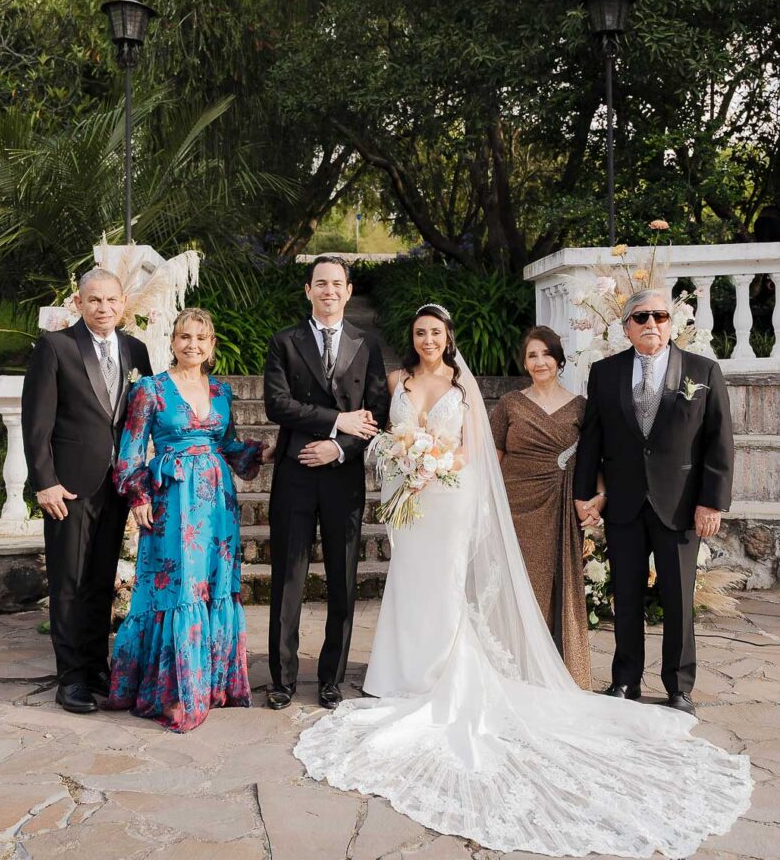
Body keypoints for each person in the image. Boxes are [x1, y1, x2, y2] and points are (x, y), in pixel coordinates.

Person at [294, 303, 751, 859]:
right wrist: (403, 464)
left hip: (453, 494)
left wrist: (437, 464)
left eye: (436, 331)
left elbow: (483, 449)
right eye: (419, 332)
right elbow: (386, 433)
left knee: (448, 587)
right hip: (408, 497)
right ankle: (402, 672)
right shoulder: (396, 381)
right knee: (409, 583)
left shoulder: (465, 384)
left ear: (448, 336)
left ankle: (674, 687)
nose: (428, 339)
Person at [106, 308, 270, 732]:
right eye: (184, 337)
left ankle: (212, 685)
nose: (192, 344)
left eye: (201, 338)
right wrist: (138, 494)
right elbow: (130, 450)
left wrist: (266, 450)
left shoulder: (221, 390)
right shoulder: (151, 389)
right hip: (174, 501)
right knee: (179, 588)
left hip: (217, 503)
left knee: (214, 585)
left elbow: (228, 445)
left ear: (211, 345)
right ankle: (176, 692)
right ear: (173, 342)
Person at [574, 289, 735, 715]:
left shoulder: (703, 370)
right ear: (626, 327)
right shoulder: (604, 372)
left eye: (660, 316)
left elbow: (719, 441)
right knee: (625, 597)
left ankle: (679, 687)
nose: (651, 323)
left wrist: (711, 503)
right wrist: (584, 494)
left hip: (680, 505)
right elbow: (592, 437)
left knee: (678, 600)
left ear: (671, 323)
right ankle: (625, 680)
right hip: (624, 503)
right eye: (641, 317)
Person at [21, 267, 152, 714]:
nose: (104, 308)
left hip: (117, 485)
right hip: (69, 487)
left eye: (112, 300)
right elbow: (36, 422)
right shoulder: (56, 347)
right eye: (94, 300)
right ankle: (71, 678)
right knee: (70, 583)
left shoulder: (135, 350)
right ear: (78, 303)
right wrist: (45, 482)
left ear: (123, 303)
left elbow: (144, 415)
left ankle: (97, 667)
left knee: (101, 580)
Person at [264, 255, 390, 711]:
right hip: (295, 472)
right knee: (288, 578)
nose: (329, 291)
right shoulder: (284, 341)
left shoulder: (367, 343)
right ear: (308, 290)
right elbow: (277, 404)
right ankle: (282, 679)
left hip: (343, 476)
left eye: (337, 284)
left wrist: (338, 448)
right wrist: (337, 420)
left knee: (343, 579)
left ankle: (331, 678)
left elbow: (377, 413)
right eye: (321, 283)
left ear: (349, 291)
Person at [489, 326, 598, 689]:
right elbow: (492, 459)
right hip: (514, 506)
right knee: (516, 584)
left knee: (555, 583)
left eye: (546, 354)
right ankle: (514, 666)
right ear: (525, 363)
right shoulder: (509, 404)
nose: (539, 362)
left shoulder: (580, 407)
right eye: (532, 356)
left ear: (559, 360)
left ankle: (553, 666)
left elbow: (594, 460)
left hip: (560, 507)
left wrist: (598, 498)